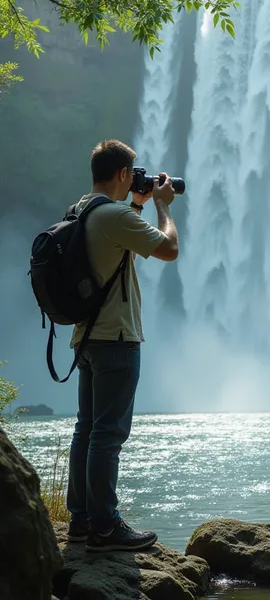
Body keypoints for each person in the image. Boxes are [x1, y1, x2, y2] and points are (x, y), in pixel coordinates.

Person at [66, 140, 179, 552]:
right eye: (132, 173)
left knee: (87, 430)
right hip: (116, 336)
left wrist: (137, 205)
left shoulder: (83, 210)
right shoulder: (112, 214)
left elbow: (116, 250)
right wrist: (163, 205)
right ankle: (106, 526)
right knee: (108, 435)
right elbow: (169, 249)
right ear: (120, 175)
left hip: (87, 337)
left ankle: (79, 521)